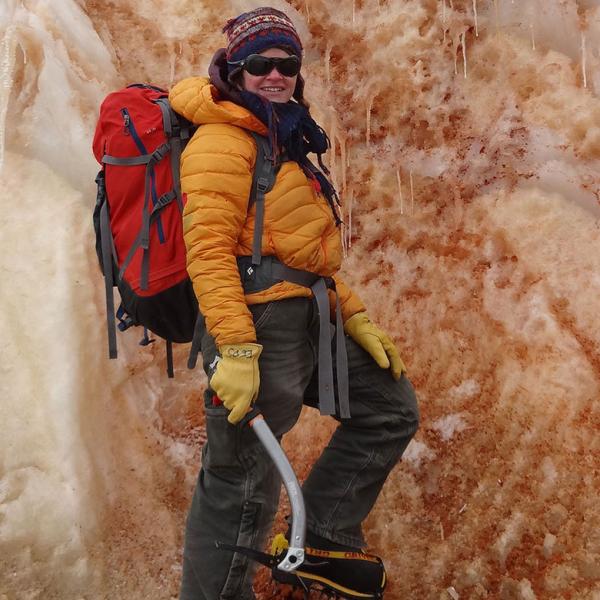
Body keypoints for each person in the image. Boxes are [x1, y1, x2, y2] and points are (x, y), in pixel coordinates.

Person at [169, 7, 419, 599]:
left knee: (389, 407)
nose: (276, 75)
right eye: (261, 64)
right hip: (254, 323)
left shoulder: (283, 135)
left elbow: (299, 253)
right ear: (236, 69)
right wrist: (233, 346)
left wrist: (352, 313)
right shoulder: (222, 142)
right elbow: (206, 251)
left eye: (287, 64)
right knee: (241, 480)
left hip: (308, 315)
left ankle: (324, 536)